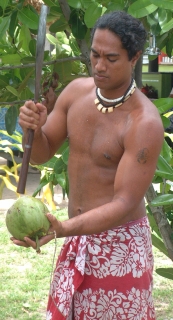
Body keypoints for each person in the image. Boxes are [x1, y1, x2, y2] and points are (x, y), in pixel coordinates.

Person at [12, 11, 164, 320]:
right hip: (76, 239)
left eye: (111, 58)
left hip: (120, 247)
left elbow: (123, 203)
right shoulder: (76, 92)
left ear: (134, 57)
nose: (98, 66)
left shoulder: (143, 122)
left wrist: (63, 229)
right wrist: (33, 128)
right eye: (94, 54)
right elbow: (41, 152)